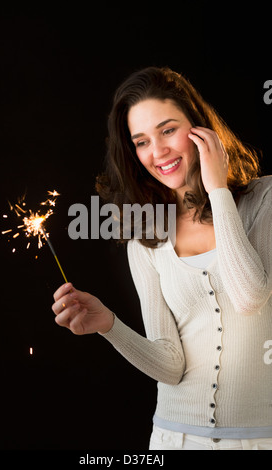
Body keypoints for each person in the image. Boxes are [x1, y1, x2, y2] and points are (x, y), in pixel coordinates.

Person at [51, 67, 272, 450]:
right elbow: (171, 365)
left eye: (168, 130)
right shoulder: (146, 235)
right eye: (141, 141)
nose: (158, 152)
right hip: (174, 438)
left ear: (199, 127)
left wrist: (217, 188)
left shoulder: (265, 200)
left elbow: (250, 296)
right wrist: (109, 325)